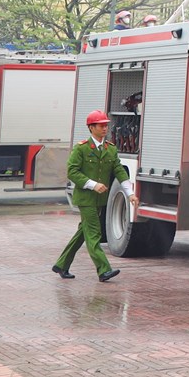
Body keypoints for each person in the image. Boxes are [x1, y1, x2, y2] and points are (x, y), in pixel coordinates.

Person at [52, 110, 134, 283]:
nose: (105, 128)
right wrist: (92, 184)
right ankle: (104, 270)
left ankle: (61, 264)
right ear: (91, 128)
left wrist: (130, 193)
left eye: (106, 125)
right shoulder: (81, 148)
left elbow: (118, 169)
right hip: (85, 199)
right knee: (94, 234)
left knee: (83, 232)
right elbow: (72, 172)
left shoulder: (109, 148)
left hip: (99, 200)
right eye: (101, 125)